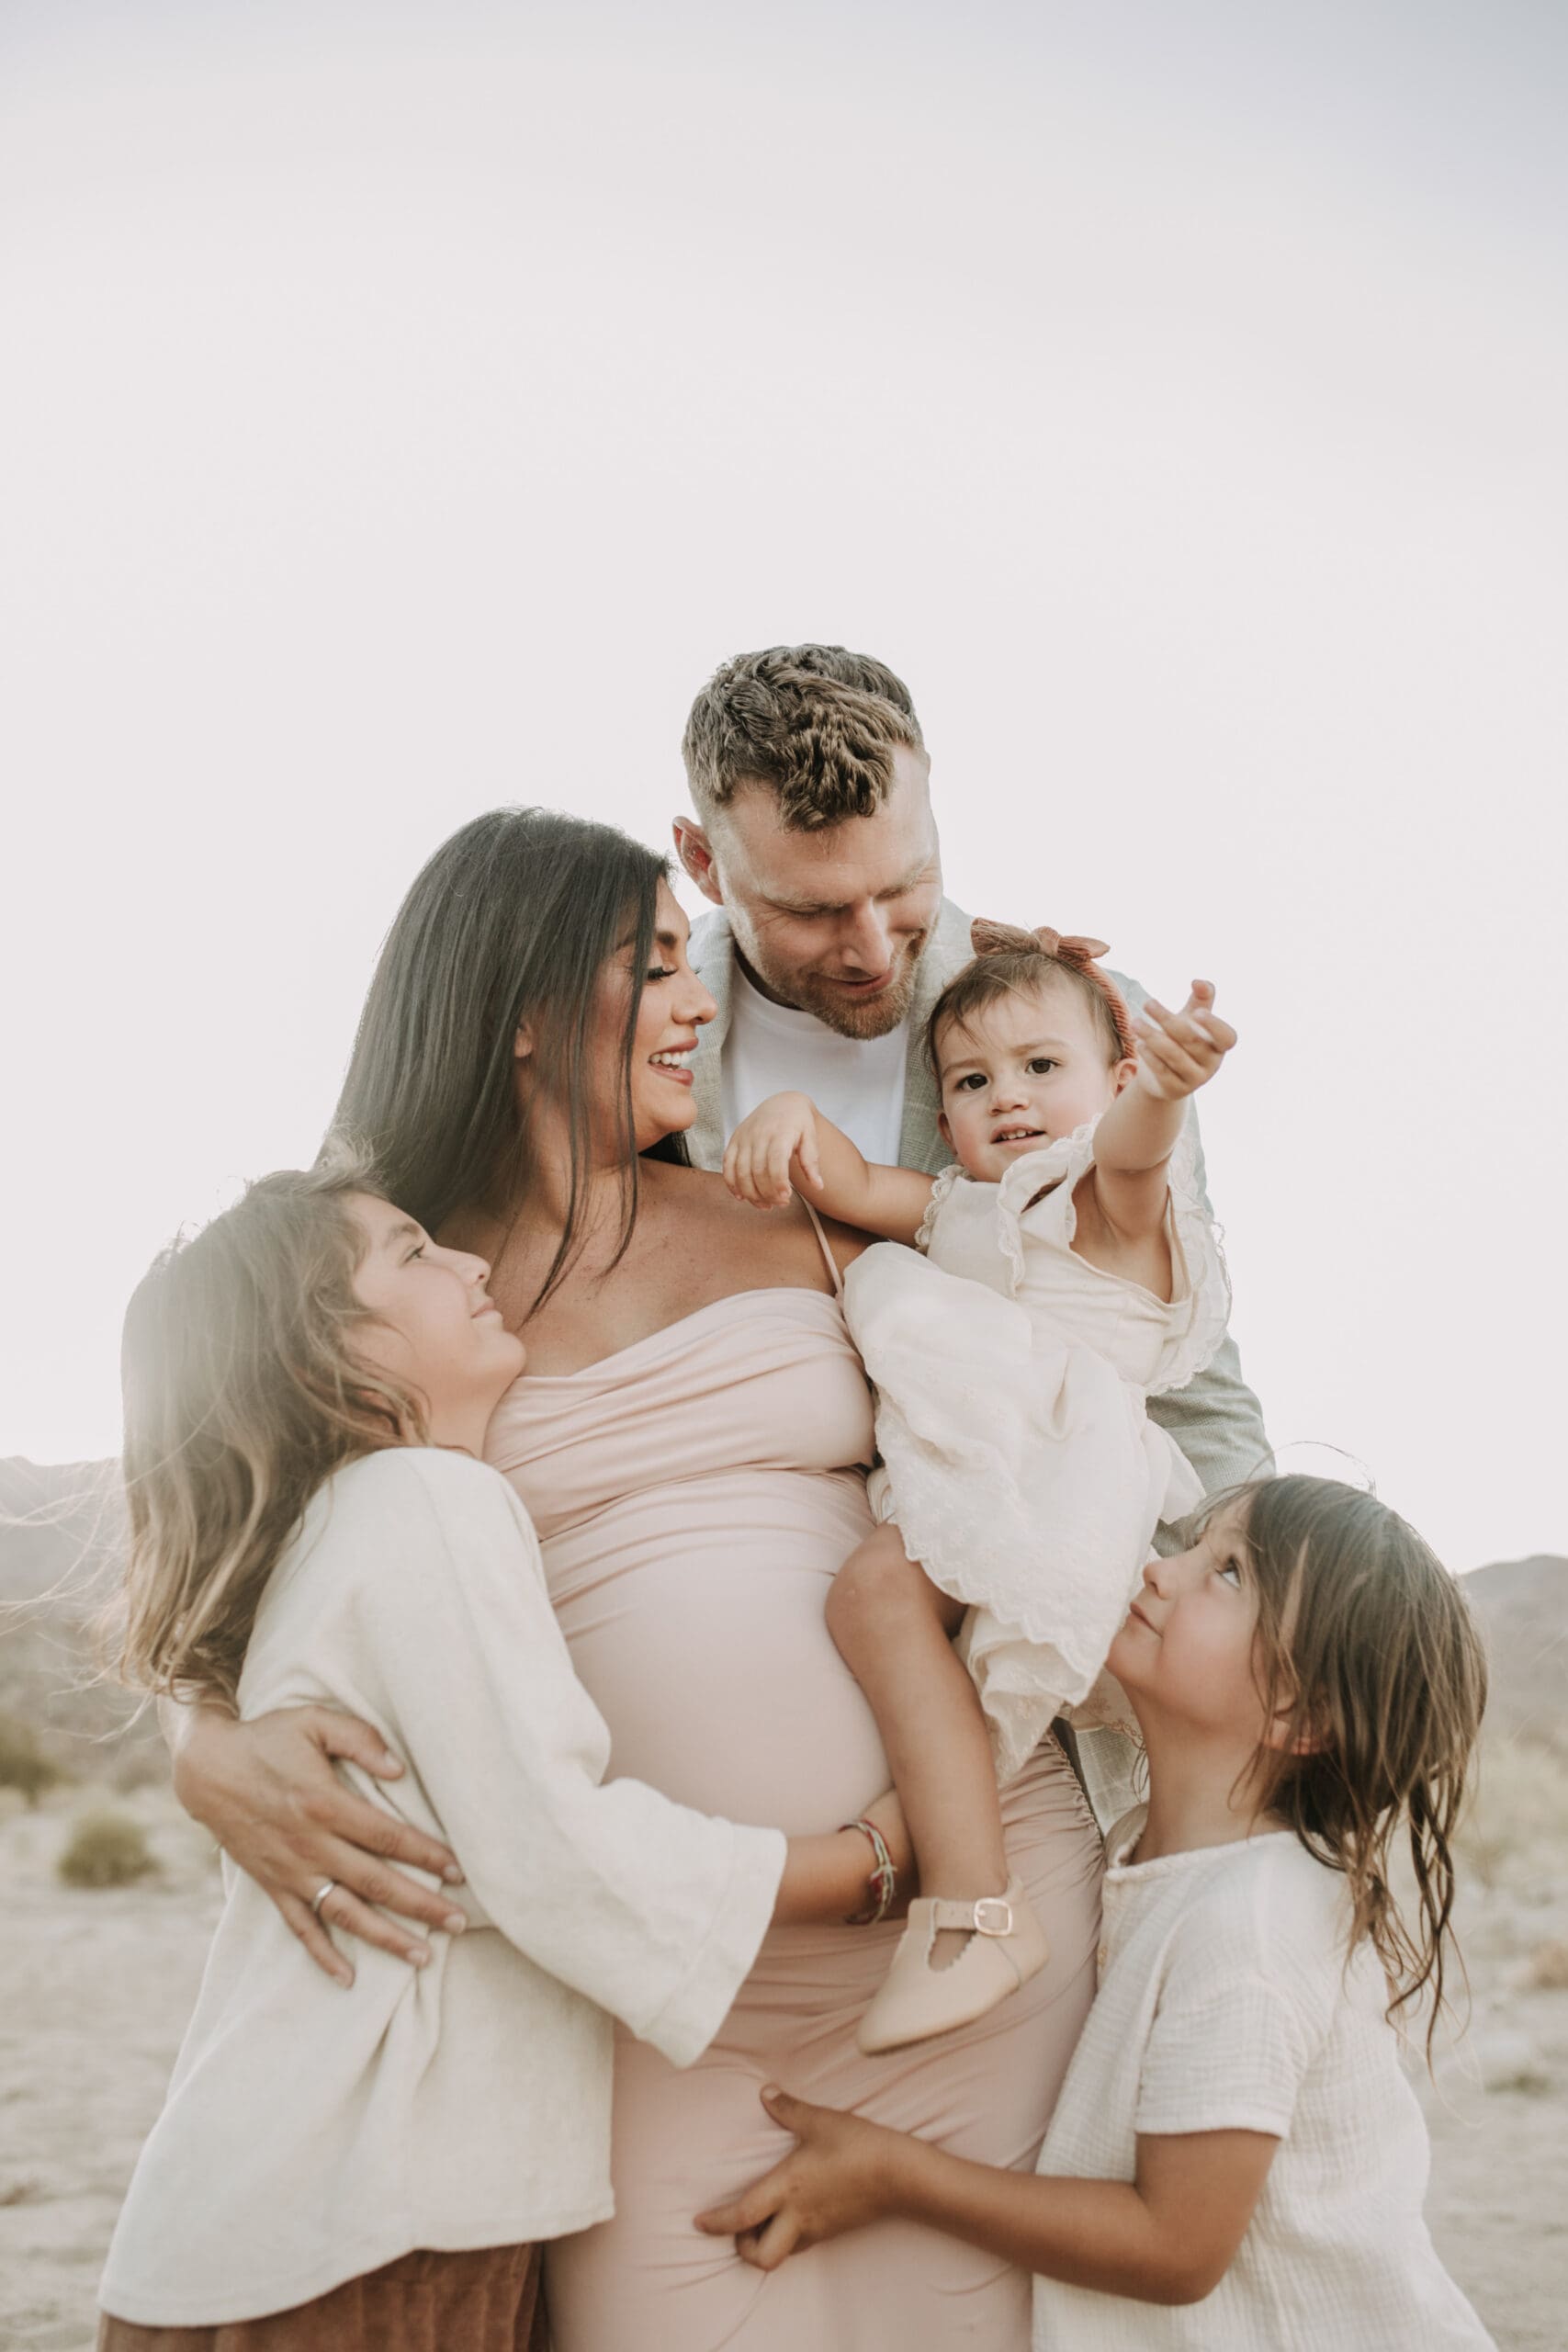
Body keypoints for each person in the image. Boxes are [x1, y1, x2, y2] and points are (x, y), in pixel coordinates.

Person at [161, 808, 1108, 2351]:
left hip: (979, 1919)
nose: (700, 1000)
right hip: (660, 2008)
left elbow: (1087, 1319)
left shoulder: (800, 1202)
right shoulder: (376, 1285)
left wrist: (1062, 997)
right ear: (527, 1010)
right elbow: (226, 1548)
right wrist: (204, 1746)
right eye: (654, 964)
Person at [100, 1159, 915, 2349]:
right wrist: (869, 1863)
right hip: (369, 2218)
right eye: (414, 1254)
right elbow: (555, 1854)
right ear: (326, 1353)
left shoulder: (352, 1529)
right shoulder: (425, 1499)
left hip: (312, 2210)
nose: (474, 1265)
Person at [696, 1476, 1497, 2352]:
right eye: (1191, 1547)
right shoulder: (1144, 1854)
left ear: (1298, 1714)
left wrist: (894, 2177)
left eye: (1227, 1574)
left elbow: (1175, 2247)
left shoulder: (1252, 1925)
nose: (1160, 1570)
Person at [722, 921, 1235, 2051]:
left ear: (1112, 1077)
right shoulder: (965, 1204)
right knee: (897, 1627)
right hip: (997, 1477)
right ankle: (957, 1893)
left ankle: (973, 1910)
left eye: (1042, 1068)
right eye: (972, 1078)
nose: (1008, 1097)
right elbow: (854, 1184)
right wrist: (796, 1120)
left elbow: (1139, 1151)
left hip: (1065, 1486)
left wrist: (1166, 1091)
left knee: (873, 1597)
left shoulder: (1102, 1207)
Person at [673, 644, 1269, 1509]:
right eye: (810, 910)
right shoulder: (633, 1036)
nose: (872, 949)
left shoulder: (1095, 1030)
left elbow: (1187, 1393)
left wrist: (1260, 1612)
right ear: (701, 863)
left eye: (904, 883)